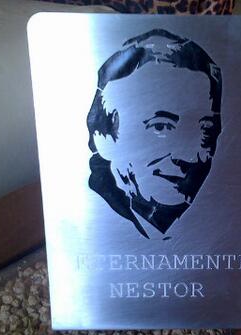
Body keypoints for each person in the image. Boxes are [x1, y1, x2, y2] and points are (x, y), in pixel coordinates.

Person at [86, 29, 222, 239]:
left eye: (205, 130)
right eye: (161, 127)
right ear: (104, 136)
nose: (190, 156)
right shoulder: (91, 221)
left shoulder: (221, 220)